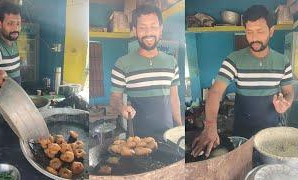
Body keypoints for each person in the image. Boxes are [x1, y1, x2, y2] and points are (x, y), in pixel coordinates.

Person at [192, 5, 294, 157]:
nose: (254, 38)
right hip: (242, 133)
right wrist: (210, 125)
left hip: (272, 133)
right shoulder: (234, 59)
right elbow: (215, 91)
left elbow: (289, 92)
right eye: (249, 32)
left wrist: (285, 103)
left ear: (271, 31)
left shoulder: (283, 61)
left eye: (260, 31)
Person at [110, 5, 182, 138]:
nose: (148, 32)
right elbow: (114, 99)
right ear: (135, 30)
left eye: (153, 26)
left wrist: (179, 126)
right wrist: (122, 108)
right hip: (136, 138)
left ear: (161, 29)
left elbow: (174, 98)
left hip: (167, 136)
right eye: (142, 27)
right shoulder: (122, 64)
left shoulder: (172, 62)